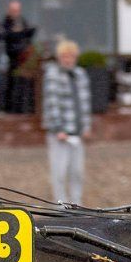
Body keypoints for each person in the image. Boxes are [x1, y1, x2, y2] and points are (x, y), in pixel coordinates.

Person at [42, 39, 92, 205]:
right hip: (60, 133)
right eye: (65, 56)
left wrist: (85, 126)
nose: (68, 60)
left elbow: (85, 103)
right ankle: (61, 204)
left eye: (71, 56)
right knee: (60, 171)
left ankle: (76, 202)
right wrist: (57, 128)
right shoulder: (52, 75)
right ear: (59, 57)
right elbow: (52, 103)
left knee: (77, 171)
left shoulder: (80, 74)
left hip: (76, 131)